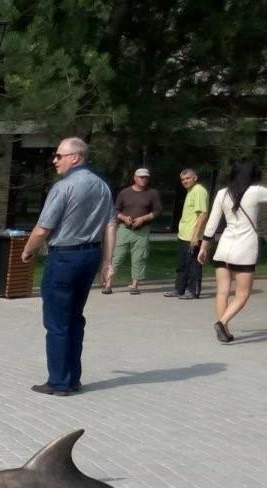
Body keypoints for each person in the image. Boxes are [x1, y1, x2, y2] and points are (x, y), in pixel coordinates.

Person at [20, 137, 115, 396]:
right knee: (75, 318)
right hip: (90, 257)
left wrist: (28, 250)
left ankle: (58, 382)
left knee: (57, 321)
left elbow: (43, 228)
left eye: (58, 156)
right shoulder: (102, 187)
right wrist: (107, 262)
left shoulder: (64, 187)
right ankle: (73, 377)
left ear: (75, 157)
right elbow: (110, 225)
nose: (54, 161)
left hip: (65, 257)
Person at [198, 160, 267, 343]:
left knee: (222, 291)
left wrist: (204, 247)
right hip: (245, 248)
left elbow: (212, 223)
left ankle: (225, 330)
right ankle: (222, 322)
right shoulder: (257, 192)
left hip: (224, 247)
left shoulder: (222, 193)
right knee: (243, 294)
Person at [103, 167, 160, 295]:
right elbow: (115, 210)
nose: (143, 179)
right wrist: (124, 217)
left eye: (146, 177)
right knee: (117, 256)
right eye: (141, 177)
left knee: (139, 257)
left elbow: (157, 211)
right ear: (134, 178)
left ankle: (135, 285)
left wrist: (143, 218)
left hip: (142, 230)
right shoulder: (124, 193)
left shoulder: (152, 193)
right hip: (124, 228)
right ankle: (108, 284)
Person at [173, 168, 208, 299]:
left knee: (194, 264)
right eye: (183, 179)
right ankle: (179, 289)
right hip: (183, 235)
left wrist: (195, 235)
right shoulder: (190, 191)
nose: (185, 181)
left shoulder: (199, 191)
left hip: (192, 236)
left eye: (188, 178)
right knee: (182, 264)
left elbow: (203, 214)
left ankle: (193, 291)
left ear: (195, 178)